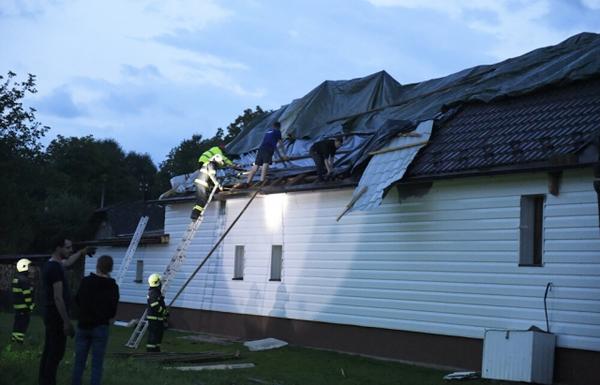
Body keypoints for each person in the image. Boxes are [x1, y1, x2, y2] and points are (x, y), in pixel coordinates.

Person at [39, 238, 93, 385]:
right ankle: (48, 381)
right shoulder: (55, 269)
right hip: (56, 316)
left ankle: (43, 380)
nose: (70, 250)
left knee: (49, 350)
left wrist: (82, 252)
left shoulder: (53, 264)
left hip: (50, 315)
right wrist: (66, 322)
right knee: (56, 352)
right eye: (68, 248)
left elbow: (68, 262)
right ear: (58, 248)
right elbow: (58, 297)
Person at [71, 255, 119, 385]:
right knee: (97, 364)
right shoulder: (112, 286)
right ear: (110, 268)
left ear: (97, 265)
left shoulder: (86, 281)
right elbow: (113, 310)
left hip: (84, 325)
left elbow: (77, 300)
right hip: (101, 327)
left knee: (79, 362)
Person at [243, 121, 288, 187]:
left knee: (256, 165)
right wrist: (284, 154)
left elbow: (271, 141)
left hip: (261, 149)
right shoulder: (277, 131)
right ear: (279, 127)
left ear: (273, 126)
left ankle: (247, 182)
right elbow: (280, 144)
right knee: (265, 163)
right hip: (268, 149)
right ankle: (262, 180)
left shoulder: (268, 131)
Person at [190, 153, 225, 220]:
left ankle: (195, 214)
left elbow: (209, 177)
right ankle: (195, 215)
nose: (218, 165)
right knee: (202, 200)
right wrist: (217, 184)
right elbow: (212, 176)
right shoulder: (211, 164)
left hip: (200, 183)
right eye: (218, 163)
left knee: (200, 200)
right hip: (202, 184)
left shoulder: (207, 163)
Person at [11, 258, 34, 344]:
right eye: (29, 267)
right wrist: (31, 306)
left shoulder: (16, 278)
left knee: (17, 323)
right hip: (24, 308)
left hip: (17, 307)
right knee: (22, 324)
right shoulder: (24, 280)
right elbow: (27, 296)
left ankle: (15, 340)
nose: (30, 269)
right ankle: (19, 341)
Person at [146, 273, 168, 352]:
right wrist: (164, 311)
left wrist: (165, 316)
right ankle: (150, 353)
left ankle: (156, 351)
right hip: (154, 319)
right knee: (153, 336)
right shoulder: (153, 292)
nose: (161, 284)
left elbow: (160, 304)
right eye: (160, 282)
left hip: (158, 319)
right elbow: (155, 306)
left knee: (158, 336)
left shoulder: (156, 292)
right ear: (157, 282)